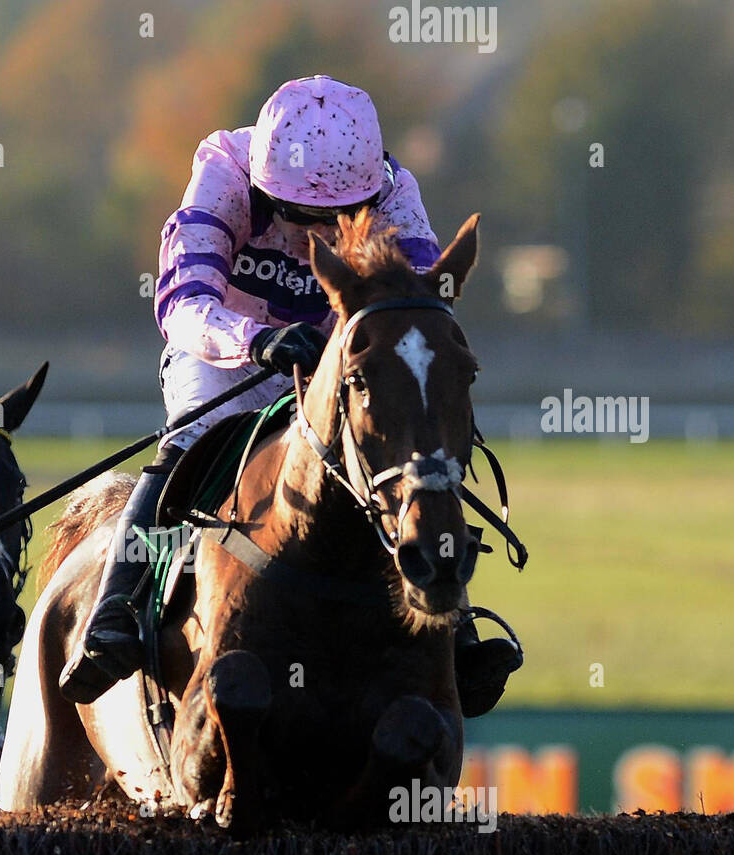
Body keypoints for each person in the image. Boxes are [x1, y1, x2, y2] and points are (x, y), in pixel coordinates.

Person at [59, 75, 521, 713]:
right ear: (263, 184)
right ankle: (115, 613)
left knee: (404, 452)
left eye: (334, 217)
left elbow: (413, 316)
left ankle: (453, 621)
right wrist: (254, 341)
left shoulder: (395, 195)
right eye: (297, 213)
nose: (316, 229)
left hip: (338, 356)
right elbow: (183, 302)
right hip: (224, 354)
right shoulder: (222, 173)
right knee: (188, 442)